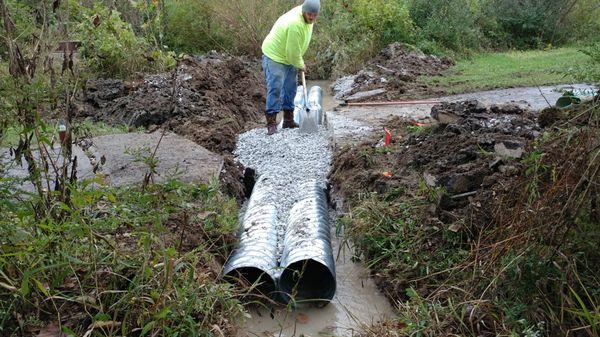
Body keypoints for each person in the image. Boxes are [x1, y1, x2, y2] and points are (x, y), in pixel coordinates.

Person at [261, 0, 320, 135]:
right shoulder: (295, 23)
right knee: (275, 88)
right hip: (275, 56)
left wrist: (298, 59)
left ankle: (288, 120)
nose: (311, 17)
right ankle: (271, 123)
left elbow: (296, 45)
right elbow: (292, 52)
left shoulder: (308, 16)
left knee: (291, 88)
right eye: (309, 14)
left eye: (314, 15)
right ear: (304, 11)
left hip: (290, 57)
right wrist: (300, 64)